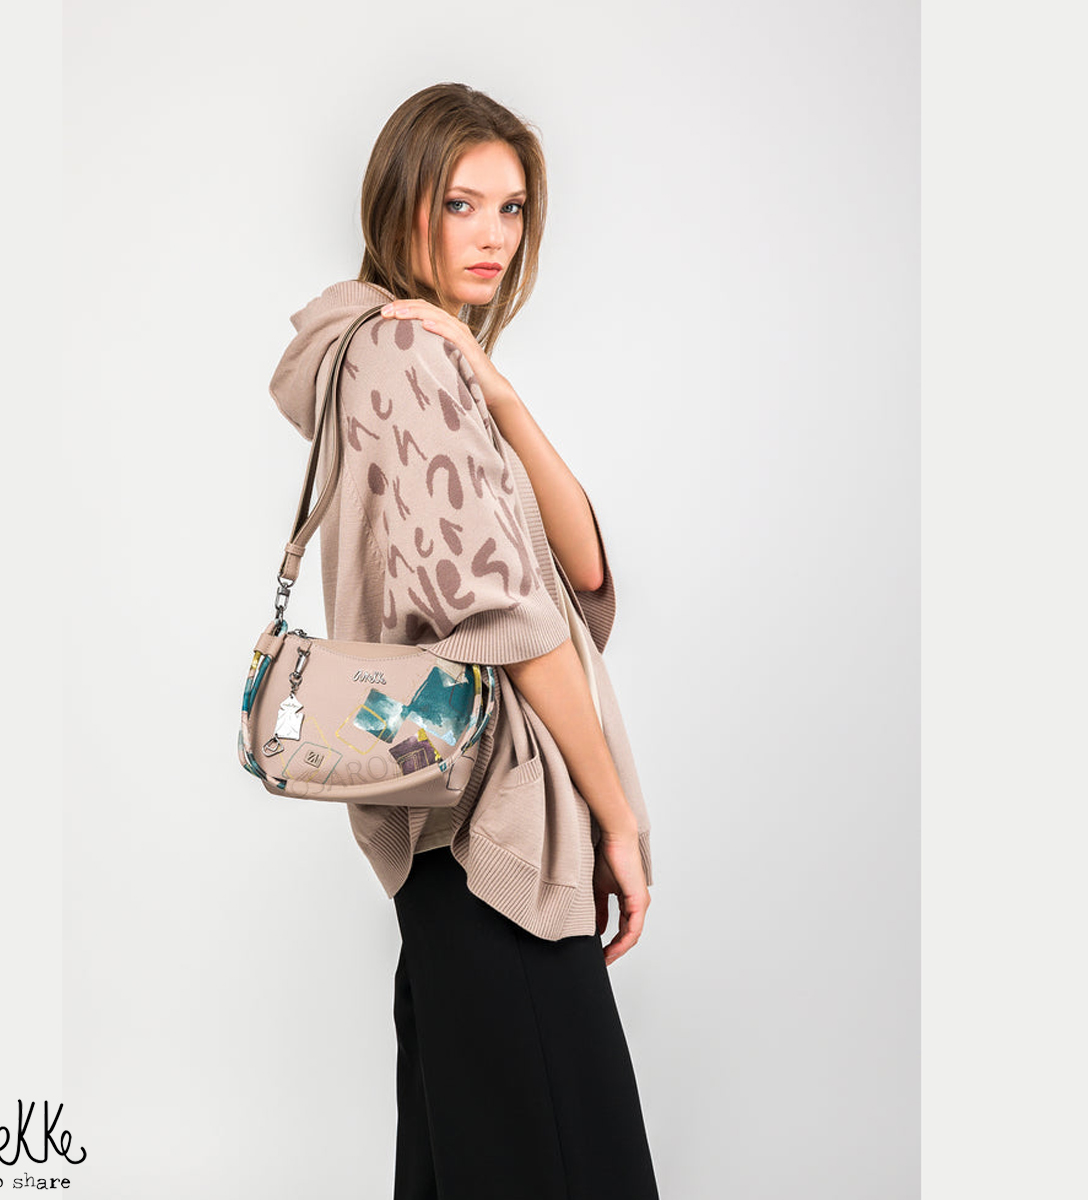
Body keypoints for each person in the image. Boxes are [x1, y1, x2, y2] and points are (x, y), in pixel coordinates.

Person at [269, 82, 659, 1200]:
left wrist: (500, 390)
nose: (494, 235)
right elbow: (517, 625)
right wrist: (618, 823)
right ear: (402, 205)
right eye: (461, 203)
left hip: (452, 844)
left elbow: (584, 570)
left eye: (512, 208)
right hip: (494, 842)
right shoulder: (401, 354)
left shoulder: (428, 359)